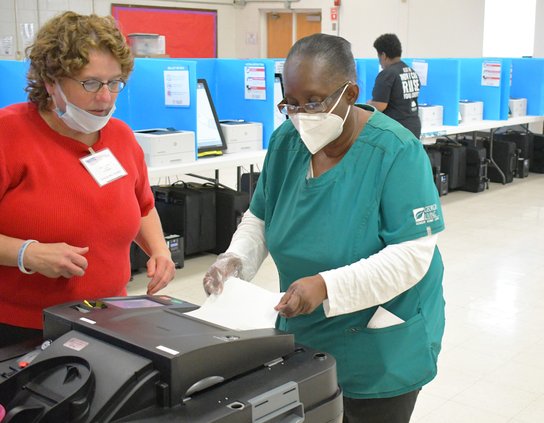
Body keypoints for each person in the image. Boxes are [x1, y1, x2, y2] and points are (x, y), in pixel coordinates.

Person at [203, 33, 445, 423]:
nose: (302, 115)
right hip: (308, 328)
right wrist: (237, 259)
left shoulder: (396, 151)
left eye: (314, 102)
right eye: (292, 103)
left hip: (380, 339)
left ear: (350, 93)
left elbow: (411, 256)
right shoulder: (287, 141)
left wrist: (328, 286)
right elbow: (260, 216)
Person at [0, 12, 176, 348]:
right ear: (51, 82)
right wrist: (27, 254)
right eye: (90, 83)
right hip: (21, 329)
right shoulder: (8, 135)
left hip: (108, 319)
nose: (106, 97)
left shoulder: (121, 138)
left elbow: (142, 207)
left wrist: (159, 250)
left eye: (115, 83)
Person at [368, 33, 422, 138]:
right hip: (413, 126)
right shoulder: (411, 71)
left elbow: (380, 106)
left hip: (396, 130)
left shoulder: (387, 74)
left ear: (383, 55)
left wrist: (368, 104)